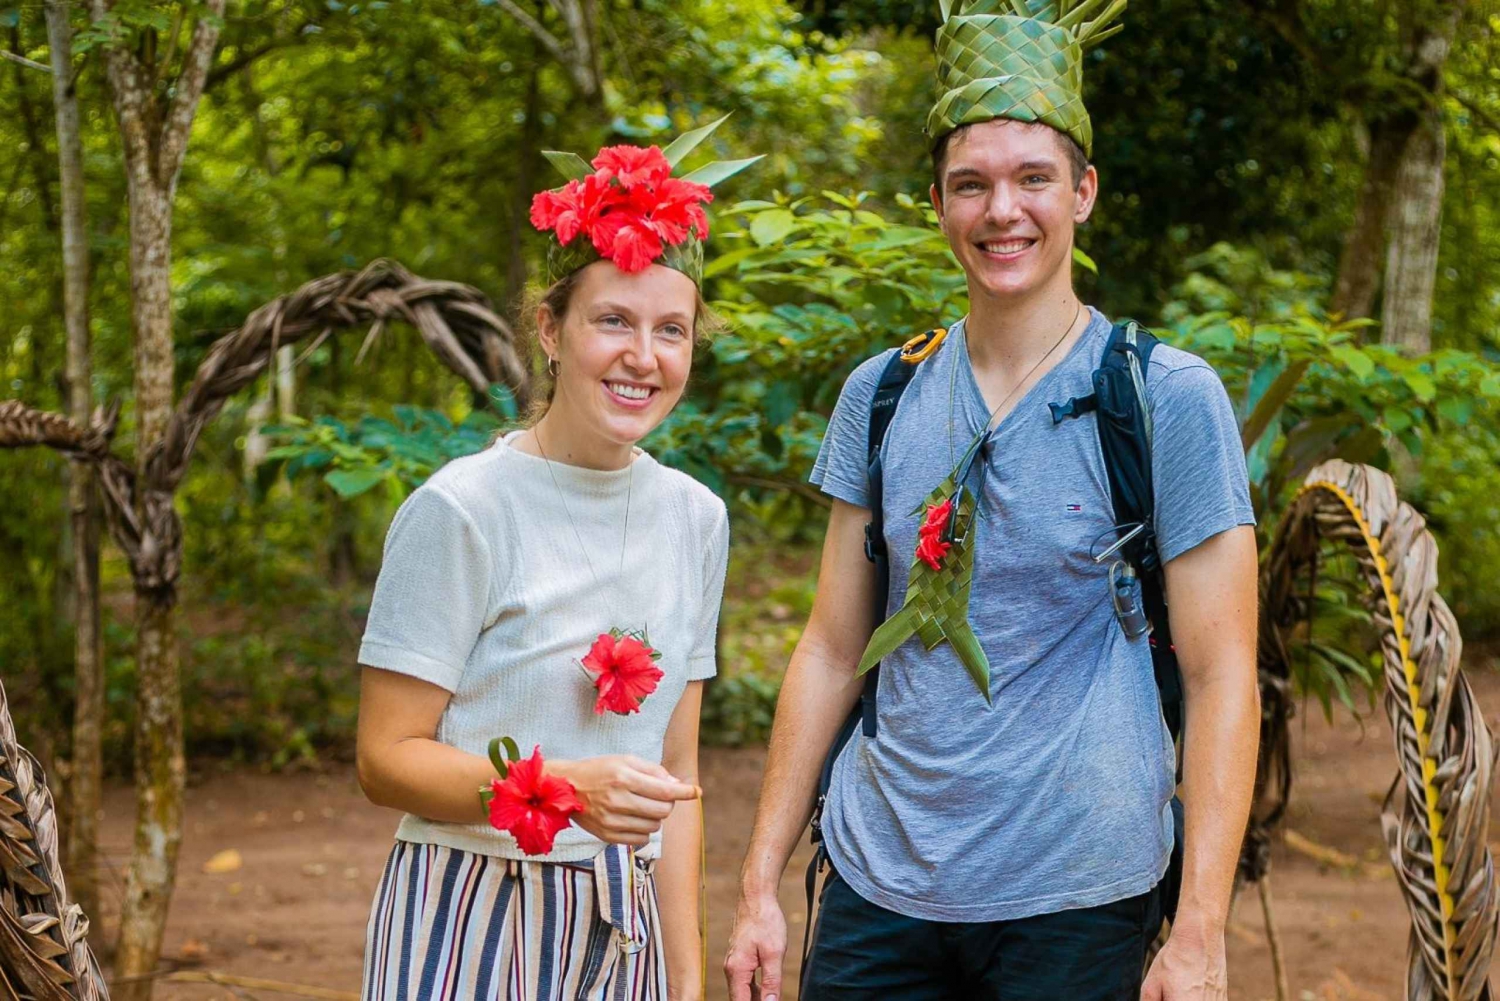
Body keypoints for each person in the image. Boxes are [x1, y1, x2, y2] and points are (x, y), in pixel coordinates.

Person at [724, 2, 1260, 998]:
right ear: (937, 203)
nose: (1001, 210)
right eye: (970, 184)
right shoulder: (881, 393)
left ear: (1084, 192)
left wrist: (1200, 932)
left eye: (1032, 180)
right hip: (877, 880)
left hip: (1078, 892)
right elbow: (832, 646)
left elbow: (1227, 672)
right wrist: (760, 877)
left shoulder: (1162, 395)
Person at [356, 130, 757, 1001]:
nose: (642, 357)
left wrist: (685, 980)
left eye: (671, 330)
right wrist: (568, 787)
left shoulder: (695, 518)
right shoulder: (463, 510)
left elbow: (676, 775)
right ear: (550, 328)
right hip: (468, 908)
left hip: (626, 922)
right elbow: (384, 757)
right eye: (612, 320)